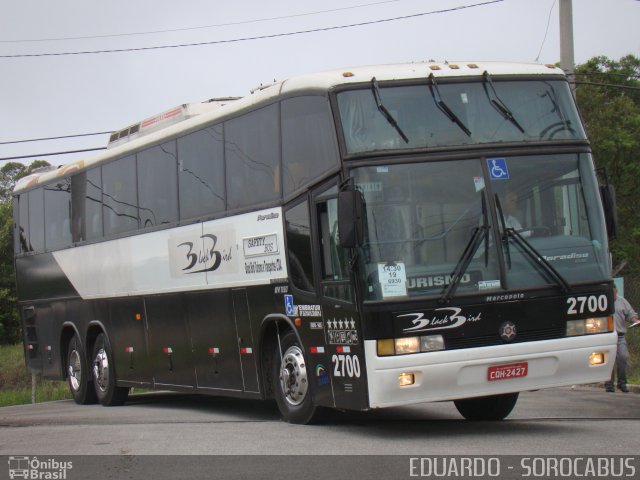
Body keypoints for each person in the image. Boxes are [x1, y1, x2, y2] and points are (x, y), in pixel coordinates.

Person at [605, 285, 640, 393]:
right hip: (607, 336)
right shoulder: (603, 302)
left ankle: (622, 382)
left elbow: (630, 314)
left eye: (615, 293)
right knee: (608, 360)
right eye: (612, 294)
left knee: (623, 357)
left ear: (617, 291)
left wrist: (635, 320)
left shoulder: (622, 301)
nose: (614, 296)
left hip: (619, 336)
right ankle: (609, 384)